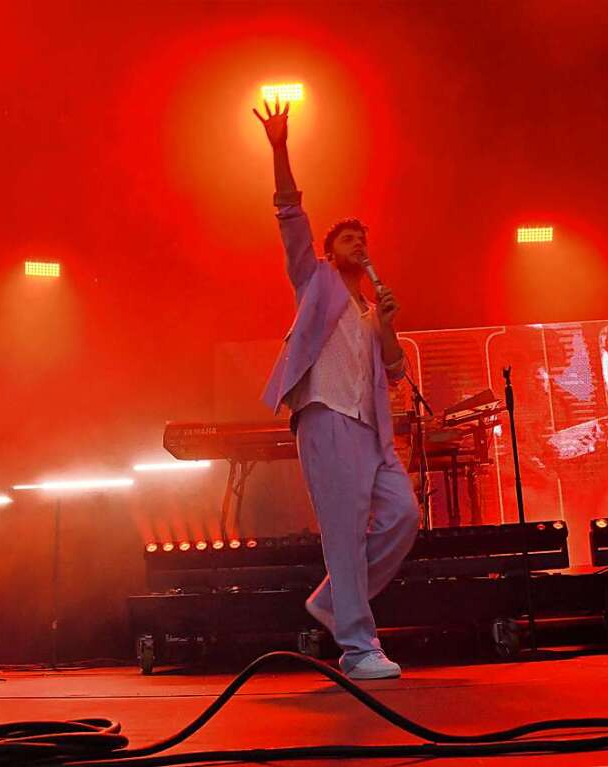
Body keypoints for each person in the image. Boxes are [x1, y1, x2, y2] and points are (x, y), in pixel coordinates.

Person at [254, 98, 419, 679]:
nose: (358, 244)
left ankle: (332, 600)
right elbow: (291, 222)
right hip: (325, 416)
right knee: (345, 531)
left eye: (362, 238)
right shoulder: (316, 281)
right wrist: (281, 150)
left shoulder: (370, 307)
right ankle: (356, 645)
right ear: (330, 251)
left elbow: (395, 372)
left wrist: (390, 325)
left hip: (371, 430)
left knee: (403, 517)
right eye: (348, 238)